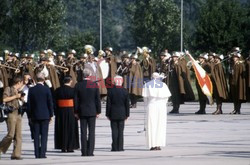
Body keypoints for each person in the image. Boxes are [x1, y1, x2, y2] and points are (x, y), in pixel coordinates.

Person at [74, 68, 101, 156]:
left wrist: (76, 111)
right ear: (90, 75)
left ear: (83, 75)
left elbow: (76, 100)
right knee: (92, 132)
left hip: (82, 110)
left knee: (83, 132)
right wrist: (98, 111)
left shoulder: (78, 85)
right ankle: (90, 151)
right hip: (92, 110)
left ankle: (84, 151)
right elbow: (97, 99)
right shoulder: (94, 85)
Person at [27, 73, 54, 158]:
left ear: (35, 79)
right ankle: (42, 153)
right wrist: (51, 114)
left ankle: (37, 153)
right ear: (44, 79)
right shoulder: (46, 89)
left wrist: (29, 116)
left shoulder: (31, 90)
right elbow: (50, 103)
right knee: (44, 135)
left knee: (36, 135)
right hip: (45, 114)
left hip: (35, 115)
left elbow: (29, 104)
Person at [142, 72, 171, 151]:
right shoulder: (164, 85)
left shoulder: (147, 85)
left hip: (151, 105)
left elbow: (145, 98)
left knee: (151, 125)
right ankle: (158, 144)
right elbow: (166, 98)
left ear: (152, 77)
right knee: (160, 125)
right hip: (161, 107)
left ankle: (152, 144)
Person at [0, 76, 24, 160]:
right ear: (19, 82)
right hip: (11, 113)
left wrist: (21, 98)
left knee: (18, 135)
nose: (22, 84)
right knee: (10, 134)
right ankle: (0, 149)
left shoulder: (19, 91)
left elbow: (20, 101)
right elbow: (4, 99)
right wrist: (16, 96)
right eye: (22, 83)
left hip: (18, 113)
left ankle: (16, 154)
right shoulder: (8, 89)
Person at [54, 76, 79, 152]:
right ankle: (70, 147)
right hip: (71, 111)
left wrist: (56, 112)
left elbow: (54, 103)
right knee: (71, 129)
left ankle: (62, 146)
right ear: (70, 81)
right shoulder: (73, 90)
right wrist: (76, 112)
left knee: (61, 129)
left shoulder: (57, 90)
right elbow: (76, 102)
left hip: (60, 111)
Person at [106, 75, 130, 152]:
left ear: (114, 82)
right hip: (122, 113)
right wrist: (127, 114)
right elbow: (127, 104)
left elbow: (108, 104)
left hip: (113, 113)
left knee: (114, 131)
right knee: (121, 131)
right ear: (122, 82)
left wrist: (107, 114)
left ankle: (114, 147)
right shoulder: (125, 91)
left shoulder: (110, 91)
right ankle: (120, 147)